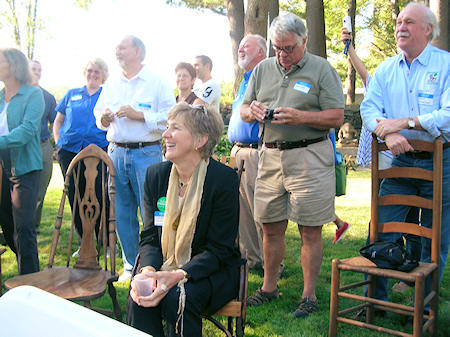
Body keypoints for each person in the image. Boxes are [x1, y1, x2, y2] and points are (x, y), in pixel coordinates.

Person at [241, 13, 345, 318]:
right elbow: (244, 110)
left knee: (310, 230)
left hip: (309, 157)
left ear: (304, 41)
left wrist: (302, 117)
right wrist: (254, 110)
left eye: (289, 48)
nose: (283, 55)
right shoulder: (262, 69)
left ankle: (308, 296)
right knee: (270, 227)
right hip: (271, 156)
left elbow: (337, 116)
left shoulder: (321, 69)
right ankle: (269, 288)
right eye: (277, 48)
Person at [360, 2, 449, 304]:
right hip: (400, 164)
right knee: (380, 229)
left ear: (428, 29)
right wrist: (390, 131)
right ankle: (375, 302)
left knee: (435, 240)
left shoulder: (446, 65)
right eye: (398, 22)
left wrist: (408, 122)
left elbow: (448, 114)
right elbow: (369, 109)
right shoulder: (386, 69)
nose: (400, 28)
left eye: (409, 22)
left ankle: (424, 308)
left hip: (442, 162)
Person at [127, 102, 241, 337]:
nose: (165, 134)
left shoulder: (223, 180)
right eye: (167, 127)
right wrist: (148, 270)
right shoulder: (155, 176)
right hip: (163, 264)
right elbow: (150, 236)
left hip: (210, 271)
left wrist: (178, 275)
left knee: (178, 297)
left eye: (175, 128)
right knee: (141, 293)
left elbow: (219, 249)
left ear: (200, 140)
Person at [94, 36, 176, 282]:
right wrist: (104, 119)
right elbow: (98, 113)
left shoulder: (157, 81)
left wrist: (139, 115)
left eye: (122, 48)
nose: (117, 51)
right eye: (116, 48)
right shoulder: (111, 84)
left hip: (147, 152)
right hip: (116, 152)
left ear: (138, 52)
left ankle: (155, 262)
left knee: (151, 210)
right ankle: (131, 264)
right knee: (122, 212)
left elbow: (170, 116)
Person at [53, 58, 110, 255]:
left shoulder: (107, 95)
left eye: (97, 72)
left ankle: (106, 243)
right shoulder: (71, 94)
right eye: (90, 70)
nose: (93, 74)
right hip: (69, 151)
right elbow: (58, 120)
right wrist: (58, 140)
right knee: (75, 197)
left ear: (103, 75)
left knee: (100, 195)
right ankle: (85, 243)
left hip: (98, 151)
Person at [0, 48, 44, 274]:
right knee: (7, 226)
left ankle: (30, 282)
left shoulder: (32, 94)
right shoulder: (0, 96)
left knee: (23, 227)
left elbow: (27, 131)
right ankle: (25, 271)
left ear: (13, 65)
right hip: (2, 167)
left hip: (25, 167)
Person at [227, 34, 266, 270]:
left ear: (261, 51)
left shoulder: (265, 77)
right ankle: (252, 259)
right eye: (240, 46)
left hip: (255, 151)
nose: (241, 49)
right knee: (242, 211)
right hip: (237, 151)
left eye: (246, 46)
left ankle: (272, 262)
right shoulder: (244, 80)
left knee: (261, 211)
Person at [29, 60, 57, 233]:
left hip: (43, 146)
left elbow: (55, 123)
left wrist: (56, 146)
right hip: (21, 148)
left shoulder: (48, 97)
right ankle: (12, 226)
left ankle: (33, 227)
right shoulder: (15, 94)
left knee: (40, 190)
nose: (37, 72)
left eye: (39, 69)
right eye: (33, 69)